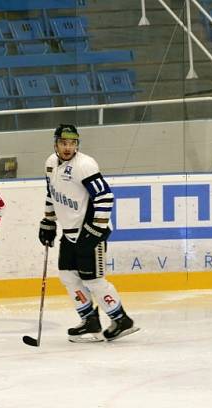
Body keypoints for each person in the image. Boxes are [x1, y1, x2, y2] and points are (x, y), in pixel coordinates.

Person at [39, 124, 139, 342]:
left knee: (93, 279)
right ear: (55, 143)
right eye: (63, 143)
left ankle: (121, 319)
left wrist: (94, 231)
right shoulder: (50, 164)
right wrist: (48, 222)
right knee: (67, 276)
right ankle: (89, 320)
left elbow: (105, 197)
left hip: (90, 231)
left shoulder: (84, 165)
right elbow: (51, 194)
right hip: (69, 233)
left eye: (72, 143)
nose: (68, 148)